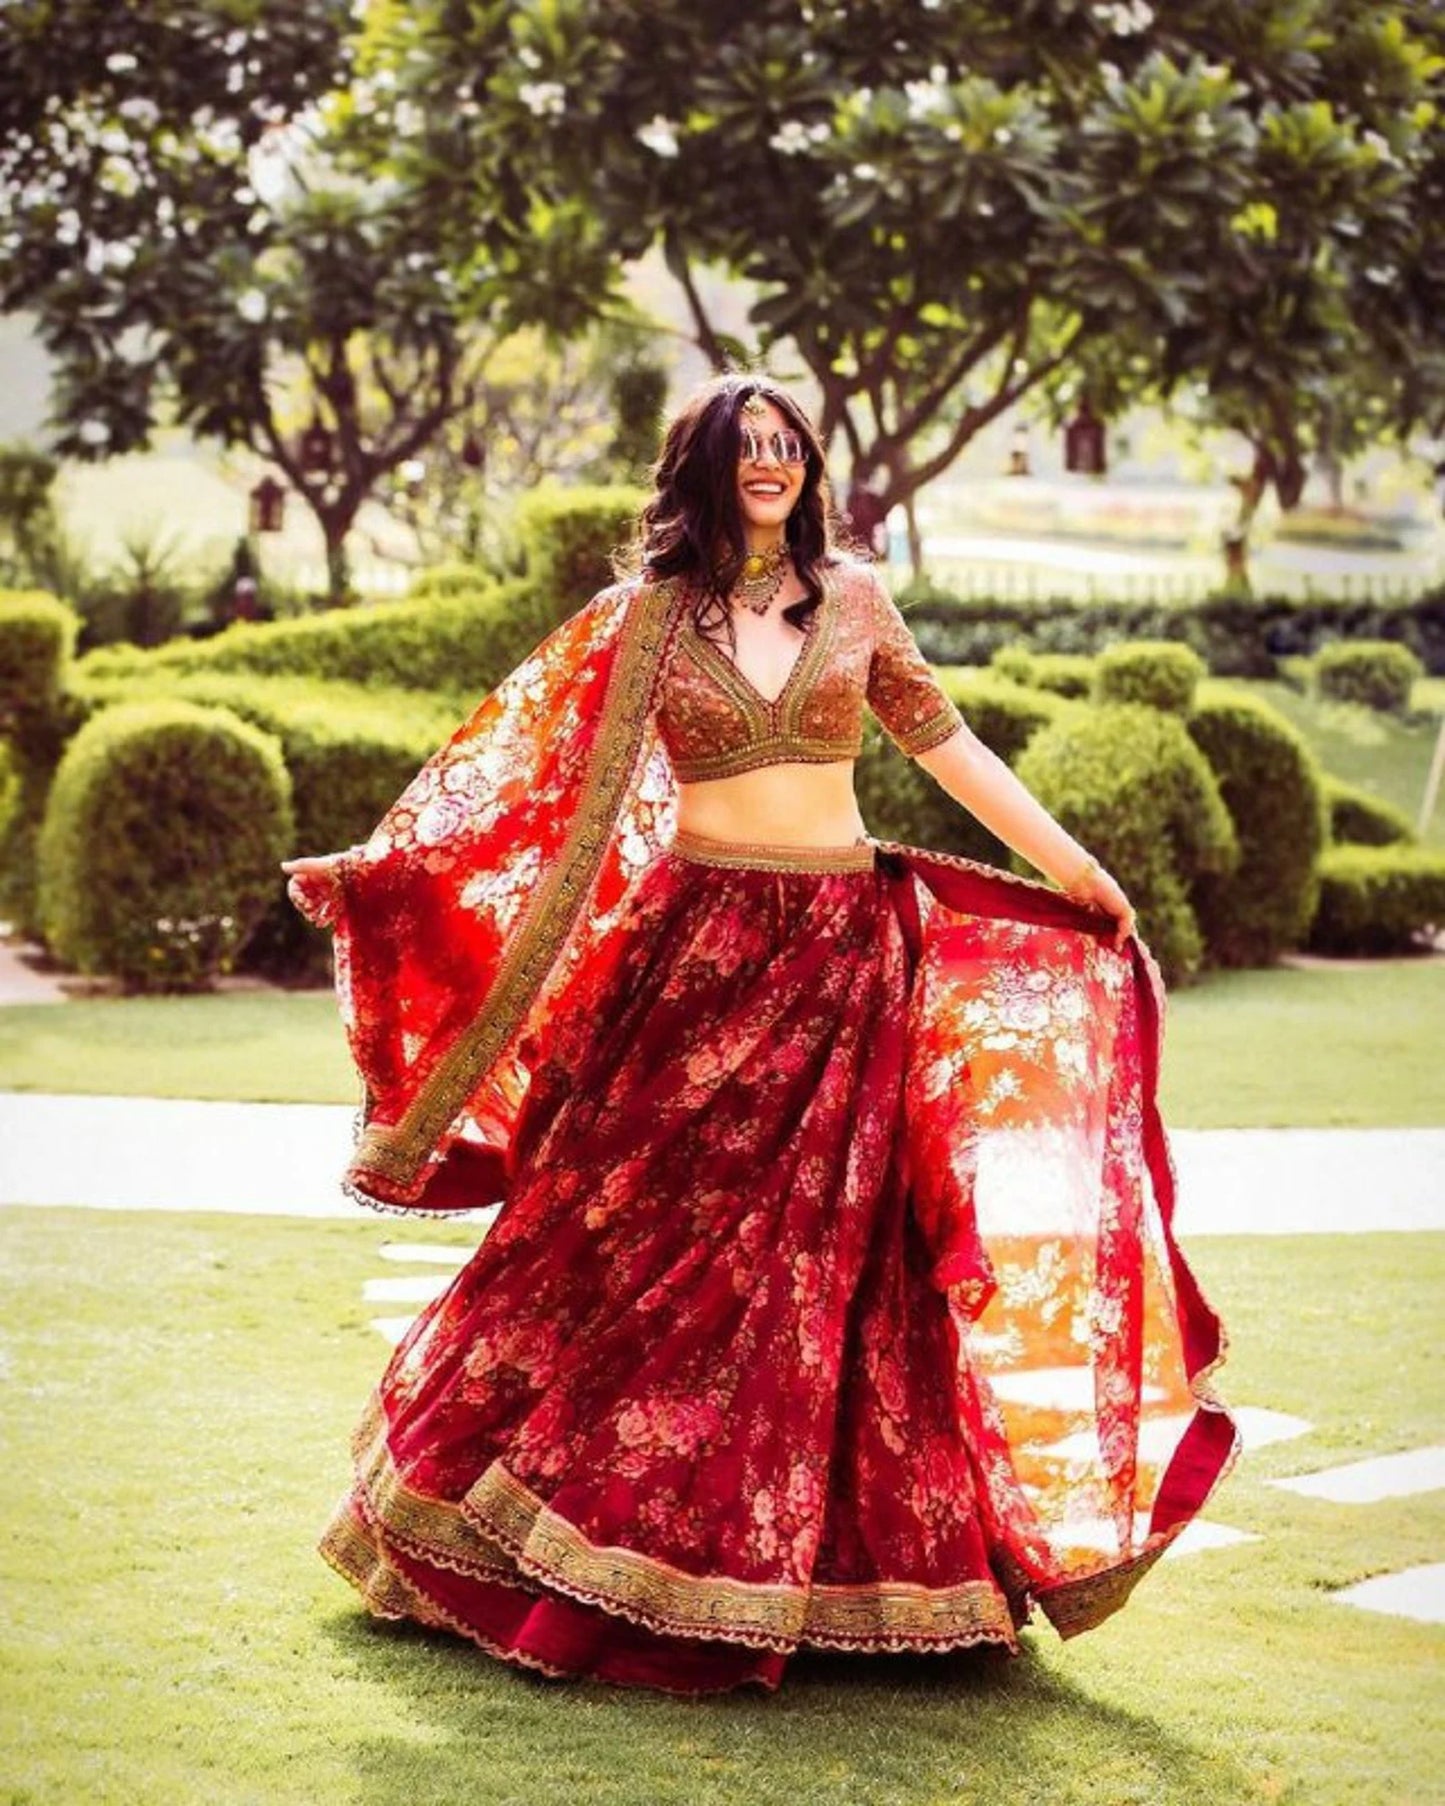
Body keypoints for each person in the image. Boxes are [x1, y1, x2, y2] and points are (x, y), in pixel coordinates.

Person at [283, 374, 1235, 1697]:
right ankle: (552, 1548)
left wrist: (1080, 869)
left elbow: (949, 746)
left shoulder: (852, 600)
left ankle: (835, 1580)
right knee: (629, 1245)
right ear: (707, 469)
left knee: (822, 1270)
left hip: (846, 962)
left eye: (791, 445)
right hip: (696, 970)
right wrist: (386, 870)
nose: (774, 464)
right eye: (751, 447)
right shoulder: (649, 619)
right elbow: (526, 773)